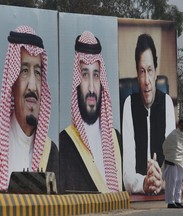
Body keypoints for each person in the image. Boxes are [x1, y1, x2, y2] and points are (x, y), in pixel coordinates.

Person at [59, 31, 122, 193]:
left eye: (96, 75)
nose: (92, 88)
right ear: (77, 83)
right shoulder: (65, 142)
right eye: (85, 75)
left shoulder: (116, 139)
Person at [0, 26, 58, 191]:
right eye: (24, 71)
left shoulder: (51, 152)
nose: (32, 85)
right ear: (12, 83)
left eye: (38, 73)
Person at [122, 33, 176, 194]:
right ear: (137, 75)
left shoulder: (166, 102)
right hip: (138, 198)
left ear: (156, 72)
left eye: (150, 70)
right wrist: (144, 182)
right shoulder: (129, 105)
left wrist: (161, 181)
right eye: (142, 71)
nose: (146, 80)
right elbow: (127, 173)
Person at [162, 119, 183, 208]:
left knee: (178, 183)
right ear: (178, 125)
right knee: (171, 183)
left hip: (180, 162)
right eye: (182, 125)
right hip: (172, 161)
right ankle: (170, 202)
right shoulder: (173, 135)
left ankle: (177, 201)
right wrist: (170, 156)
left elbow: (182, 149)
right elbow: (165, 147)